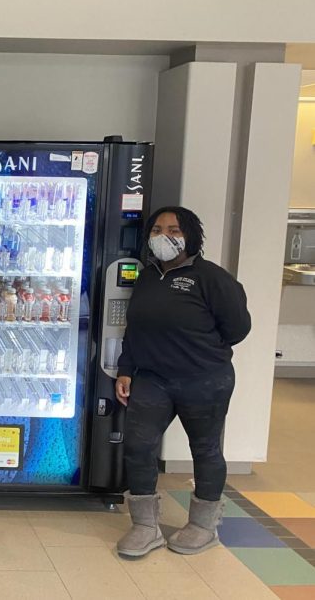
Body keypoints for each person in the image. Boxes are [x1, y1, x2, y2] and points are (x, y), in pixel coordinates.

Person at [115, 206, 251, 558]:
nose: (165, 237)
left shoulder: (213, 278)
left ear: (191, 235)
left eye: (174, 230)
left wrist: (198, 352)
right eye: (157, 230)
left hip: (204, 381)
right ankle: (145, 526)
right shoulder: (147, 277)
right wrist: (126, 368)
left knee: (205, 449)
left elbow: (237, 329)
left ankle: (203, 527)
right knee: (139, 446)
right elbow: (135, 329)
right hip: (152, 380)